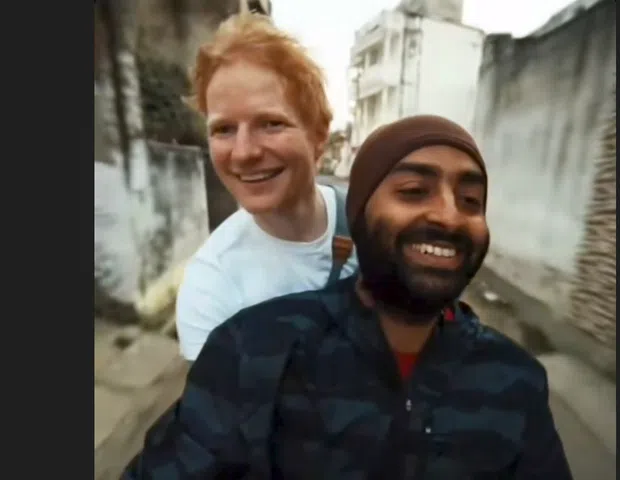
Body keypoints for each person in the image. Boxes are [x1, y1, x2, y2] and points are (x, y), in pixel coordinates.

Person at [123, 115, 573, 479]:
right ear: (358, 215)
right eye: (413, 192)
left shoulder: (515, 383)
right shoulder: (255, 350)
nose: (449, 216)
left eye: (471, 200)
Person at [175, 13, 357, 361]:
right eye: (224, 129)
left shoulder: (375, 227)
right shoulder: (211, 288)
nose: (243, 153)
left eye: (271, 124)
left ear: (319, 135)